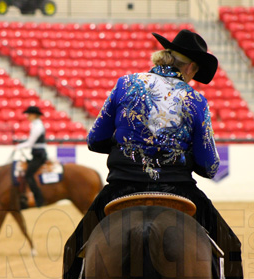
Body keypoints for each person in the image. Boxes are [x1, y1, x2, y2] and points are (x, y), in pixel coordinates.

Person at [62, 29, 243, 279]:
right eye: (196, 73)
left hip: (121, 187)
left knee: (72, 249)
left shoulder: (126, 84)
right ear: (190, 67)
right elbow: (210, 167)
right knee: (232, 247)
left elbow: (94, 140)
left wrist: (124, 147)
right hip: (178, 189)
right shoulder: (195, 100)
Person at [15, 105, 47, 208]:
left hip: (39, 155)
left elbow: (30, 143)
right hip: (36, 154)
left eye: (28, 114)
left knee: (29, 175)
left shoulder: (37, 126)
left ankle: (39, 199)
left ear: (34, 115)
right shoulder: (36, 125)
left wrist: (18, 146)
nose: (27, 116)